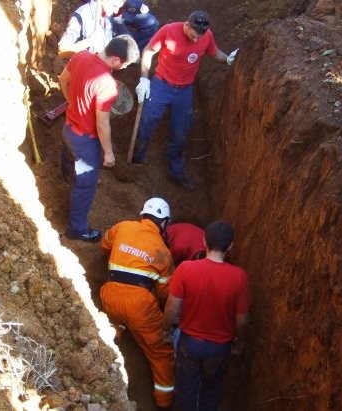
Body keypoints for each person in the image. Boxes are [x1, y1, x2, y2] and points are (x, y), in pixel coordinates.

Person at [131, 10, 239, 192]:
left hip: (184, 91)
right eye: (193, 35)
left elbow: (214, 52)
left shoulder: (206, 36)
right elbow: (149, 51)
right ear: (187, 25)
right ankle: (138, 157)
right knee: (148, 120)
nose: (196, 40)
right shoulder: (168, 31)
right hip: (161, 84)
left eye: (200, 37)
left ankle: (175, 171)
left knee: (180, 132)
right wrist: (144, 78)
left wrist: (228, 59)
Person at [162, 220, 250, 411]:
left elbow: (171, 308)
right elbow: (242, 319)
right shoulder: (239, 276)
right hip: (220, 348)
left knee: (187, 389)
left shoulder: (186, 268)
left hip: (190, 344)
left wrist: (166, 329)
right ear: (231, 246)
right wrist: (240, 342)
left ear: (204, 241)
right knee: (212, 389)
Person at [59, 35, 140, 242]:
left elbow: (62, 80)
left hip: (68, 129)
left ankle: (66, 177)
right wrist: (109, 152)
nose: (124, 68)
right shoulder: (107, 84)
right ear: (116, 60)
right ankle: (77, 229)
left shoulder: (81, 56)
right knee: (85, 185)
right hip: (85, 142)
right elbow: (102, 123)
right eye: (126, 64)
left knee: (68, 160)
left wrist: (73, 105)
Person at [99, 197, 175, 408]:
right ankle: (164, 402)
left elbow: (104, 245)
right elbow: (164, 293)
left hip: (109, 294)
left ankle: (114, 333)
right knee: (161, 352)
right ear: (164, 222)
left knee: (116, 321)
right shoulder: (163, 252)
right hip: (140, 305)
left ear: (142, 215)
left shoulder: (122, 227)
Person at [58, 0, 126, 58]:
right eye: (114, 6)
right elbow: (62, 50)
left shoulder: (108, 14)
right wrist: (89, 41)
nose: (116, 11)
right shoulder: (82, 16)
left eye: (119, 8)